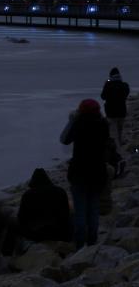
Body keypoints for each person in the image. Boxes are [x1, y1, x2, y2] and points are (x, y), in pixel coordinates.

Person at [60, 99, 110, 249]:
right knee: (93, 209)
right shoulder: (103, 124)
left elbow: (63, 139)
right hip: (98, 172)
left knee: (80, 211)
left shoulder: (79, 124)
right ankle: (92, 242)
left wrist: (71, 120)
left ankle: (80, 245)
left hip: (79, 172)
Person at [17, 168, 72, 242]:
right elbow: (66, 213)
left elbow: (21, 217)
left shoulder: (27, 195)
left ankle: (8, 252)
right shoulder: (60, 191)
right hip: (58, 231)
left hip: (35, 234)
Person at [101, 68, 130, 144]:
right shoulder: (124, 85)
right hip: (122, 111)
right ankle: (120, 143)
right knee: (120, 130)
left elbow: (103, 96)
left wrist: (106, 84)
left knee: (113, 133)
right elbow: (126, 94)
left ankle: (116, 149)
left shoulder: (108, 85)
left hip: (111, 113)